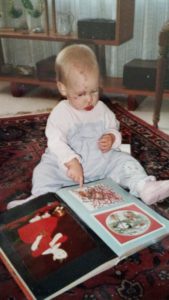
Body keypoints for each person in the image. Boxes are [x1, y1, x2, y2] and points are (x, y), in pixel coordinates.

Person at [7, 44, 169, 209]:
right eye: (81, 94)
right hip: (65, 170)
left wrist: (111, 137)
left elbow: (114, 126)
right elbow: (56, 142)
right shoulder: (61, 113)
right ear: (63, 88)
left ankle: (144, 186)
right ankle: (40, 199)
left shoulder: (102, 109)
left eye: (94, 91)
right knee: (43, 172)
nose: (89, 99)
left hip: (100, 163)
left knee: (125, 161)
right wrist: (71, 162)